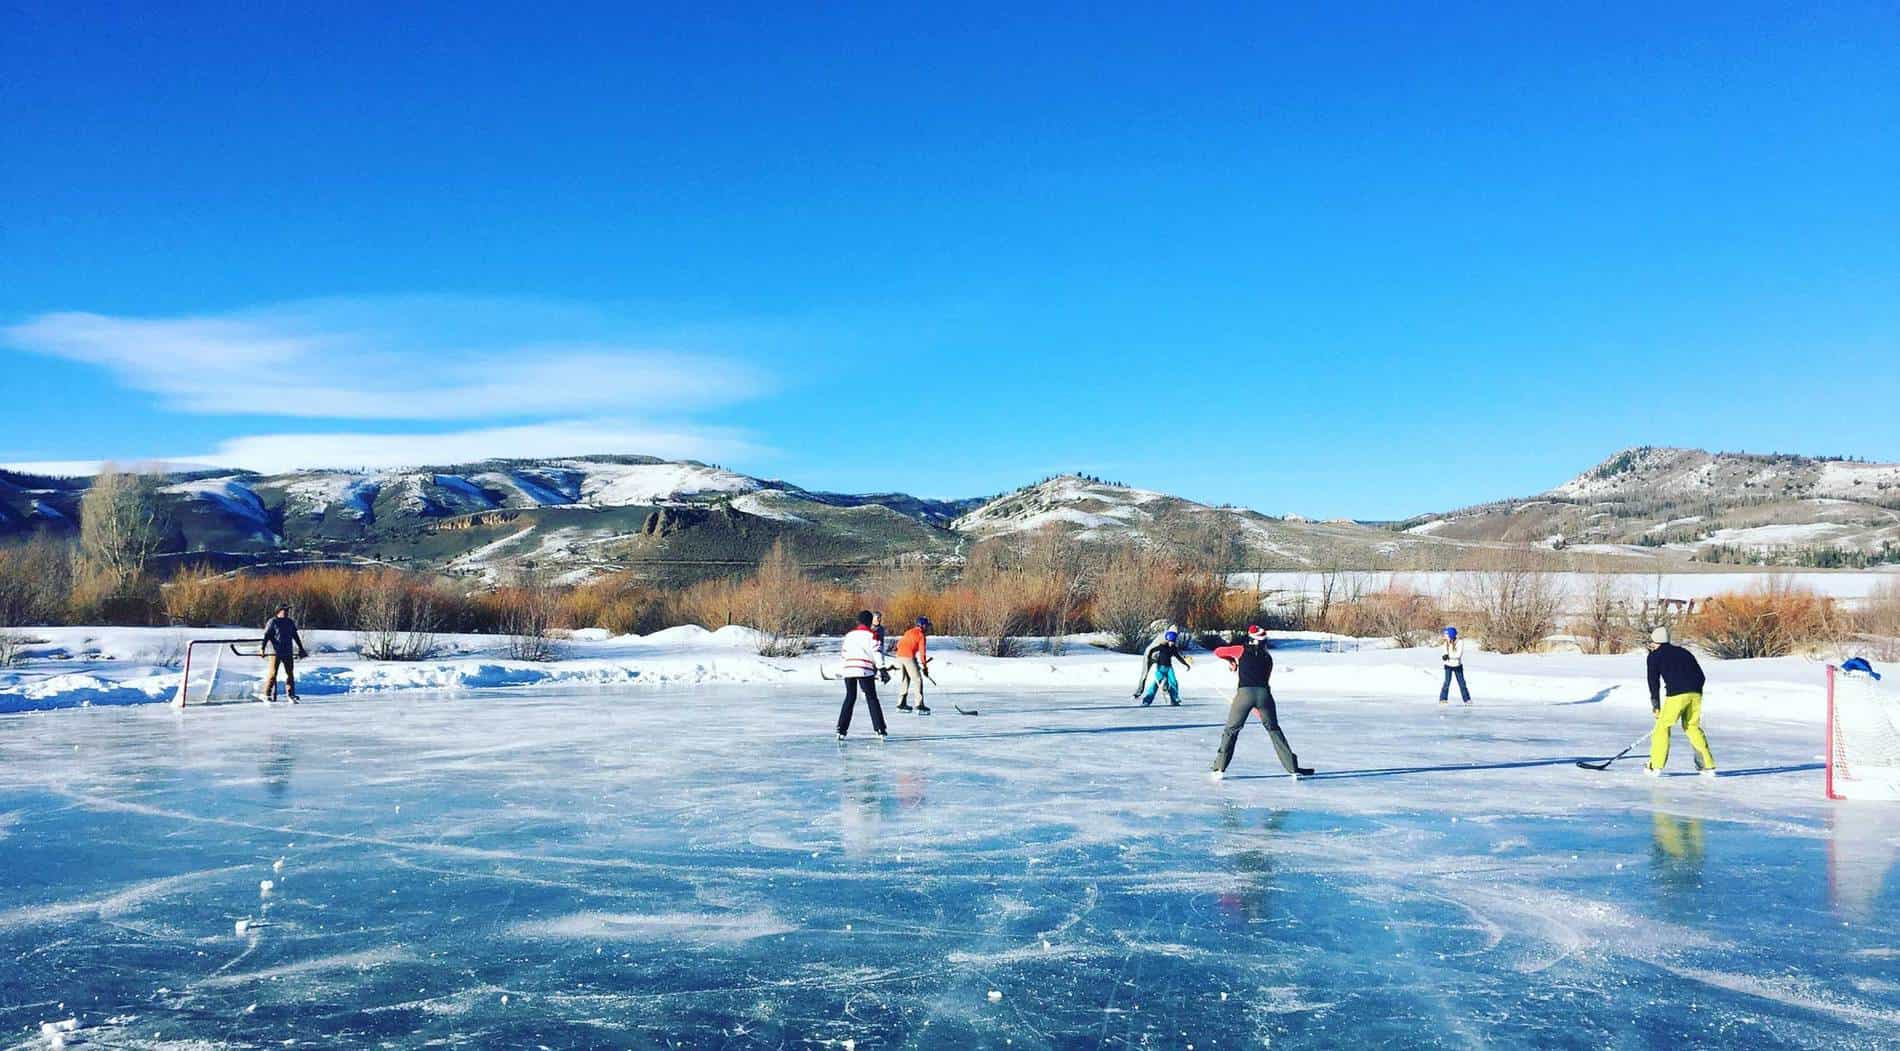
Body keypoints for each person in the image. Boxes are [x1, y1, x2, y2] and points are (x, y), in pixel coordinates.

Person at [1210, 625, 1311, 779]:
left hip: (1244, 694)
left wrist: (1231, 661)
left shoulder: (1240, 650)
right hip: (1264, 695)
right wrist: (1258, 709)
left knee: (1231, 730)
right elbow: (1264, 682)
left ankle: (1219, 768)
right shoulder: (1268, 657)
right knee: (1273, 729)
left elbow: (1218, 652)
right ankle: (1292, 768)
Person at [1645, 626, 1715, 776]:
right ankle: (1707, 765)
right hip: (1696, 694)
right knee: (1692, 727)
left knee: (1661, 728)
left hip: (1676, 696)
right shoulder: (1684, 652)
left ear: (1655, 642)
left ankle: (1655, 765)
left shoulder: (1654, 656)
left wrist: (1656, 705)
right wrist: (1694, 690)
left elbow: (1653, 682)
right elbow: (1701, 676)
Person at [836, 610, 889, 741]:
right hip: (864, 669)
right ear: (870, 621)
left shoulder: (849, 635)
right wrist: (882, 669)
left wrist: (846, 666)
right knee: (871, 698)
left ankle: (841, 729)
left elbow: (843, 653)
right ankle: (880, 728)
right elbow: (877, 652)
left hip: (849, 669)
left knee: (850, 697)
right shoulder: (872, 635)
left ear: (858, 621)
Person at [260, 604, 308, 703]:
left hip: (288, 652)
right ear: (278, 611)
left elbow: (295, 636)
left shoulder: (290, 622)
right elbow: (266, 636)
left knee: (290, 674)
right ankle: (266, 694)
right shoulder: (272, 622)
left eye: (287, 611)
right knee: (273, 673)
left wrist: (301, 648)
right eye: (284, 610)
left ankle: (291, 694)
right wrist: (262, 649)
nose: (286, 612)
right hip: (275, 652)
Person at [1138, 630, 1192, 706]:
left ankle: (1174, 699)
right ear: (1167, 640)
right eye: (1170, 641)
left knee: (1173, 681)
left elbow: (1178, 657)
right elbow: (1151, 650)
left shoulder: (1173, 648)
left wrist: (1186, 664)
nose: (1172, 643)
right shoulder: (1162, 646)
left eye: (1173, 641)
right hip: (1160, 668)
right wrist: (1149, 657)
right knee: (1156, 683)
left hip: (1169, 668)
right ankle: (1147, 701)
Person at [1133, 623, 1184, 698]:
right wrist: (1148, 657)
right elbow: (1152, 649)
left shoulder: (1171, 637)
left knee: (1165, 673)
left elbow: (1173, 650)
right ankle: (1138, 692)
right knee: (1144, 674)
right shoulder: (1165, 637)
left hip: (1159, 658)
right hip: (1149, 656)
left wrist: (1183, 658)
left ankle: (1165, 689)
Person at [894, 616, 931, 715]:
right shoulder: (921, 635)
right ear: (922, 625)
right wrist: (925, 667)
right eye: (926, 626)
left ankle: (901, 703)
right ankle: (919, 705)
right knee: (917, 679)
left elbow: (898, 645)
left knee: (905, 679)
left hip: (899, 656)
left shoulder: (909, 631)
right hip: (908, 657)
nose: (927, 627)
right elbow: (922, 653)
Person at [1439, 626, 1471, 704]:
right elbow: (1444, 652)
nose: (1445, 637)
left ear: (1451, 635)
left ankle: (1467, 699)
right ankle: (1443, 699)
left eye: (1446, 635)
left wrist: (1449, 656)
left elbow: (1458, 655)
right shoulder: (1445, 643)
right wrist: (1444, 655)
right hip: (1448, 665)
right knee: (1447, 682)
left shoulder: (1460, 642)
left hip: (1457, 665)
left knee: (1462, 683)